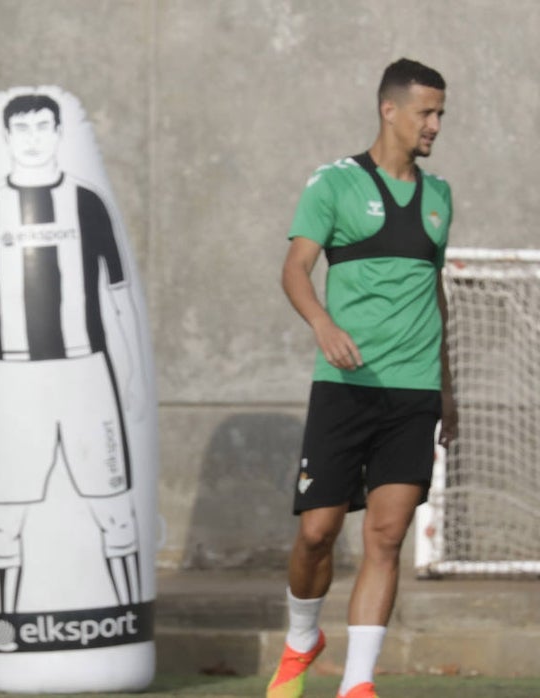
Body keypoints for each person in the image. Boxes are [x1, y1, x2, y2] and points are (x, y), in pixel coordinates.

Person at [268, 59, 455, 698]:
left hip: (414, 391)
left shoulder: (440, 197)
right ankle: (300, 642)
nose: (434, 125)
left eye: (440, 114)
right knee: (317, 532)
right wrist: (322, 323)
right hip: (344, 388)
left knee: (387, 535)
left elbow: (436, 293)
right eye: (426, 112)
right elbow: (296, 269)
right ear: (390, 110)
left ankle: (358, 683)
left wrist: (447, 393)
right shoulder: (334, 184)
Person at [0, 92, 142, 614]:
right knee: (3, 518)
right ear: (8, 137)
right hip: (14, 378)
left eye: (45, 126)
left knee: (115, 510)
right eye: (24, 128)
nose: (35, 138)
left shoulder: (87, 202)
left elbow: (119, 297)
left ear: (59, 133)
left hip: (86, 373)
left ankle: (126, 615)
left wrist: (130, 376)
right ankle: (5, 627)